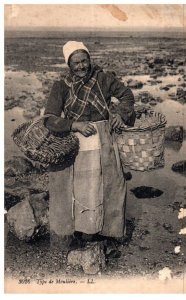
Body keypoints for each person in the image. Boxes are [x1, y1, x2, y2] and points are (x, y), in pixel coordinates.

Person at [44, 41, 135, 255]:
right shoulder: (61, 86)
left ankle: (108, 232)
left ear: (90, 59)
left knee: (108, 185)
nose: (81, 66)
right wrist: (73, 125)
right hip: (76, 143)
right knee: (78, 188)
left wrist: (120, 114)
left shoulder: (103, 79)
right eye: (76, 63)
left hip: (104, 140)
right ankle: (78, 232)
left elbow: (127, 95)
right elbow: (49, 118)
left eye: (84, 60)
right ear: (69, 64)